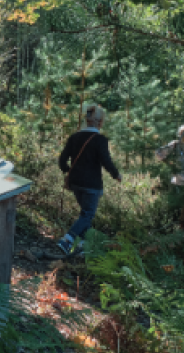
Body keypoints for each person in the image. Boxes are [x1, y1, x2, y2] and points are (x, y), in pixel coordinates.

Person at [57, 103, 122, 255]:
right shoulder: (100, 140)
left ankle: (83, 248)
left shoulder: (74, 137)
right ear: (100, 122)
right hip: (92, 185)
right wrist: (116, 174)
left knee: (85, 215)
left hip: (75, 183)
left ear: (87, 120)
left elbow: (62, 160)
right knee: (87, 214)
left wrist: (69, 171)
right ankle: (67, 240)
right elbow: (106, 161)